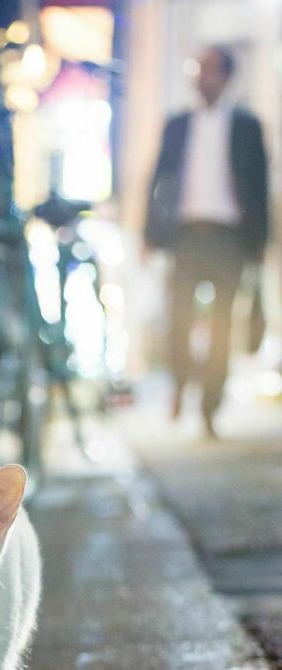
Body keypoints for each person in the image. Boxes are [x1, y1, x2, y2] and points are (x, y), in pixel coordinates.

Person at [144, 45, 269, 437]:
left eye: (212, 70)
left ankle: (210, 409)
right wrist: (149, 234)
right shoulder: (179, 123)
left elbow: (259, 188)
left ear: (227, 77)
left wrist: (260, 245)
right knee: (179, 319)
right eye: (200, 69)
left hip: (229, 238)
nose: (204, 77)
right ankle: (181, 384)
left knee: (220, 326)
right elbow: (158, 179)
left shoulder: (247, 125)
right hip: (185, 235)